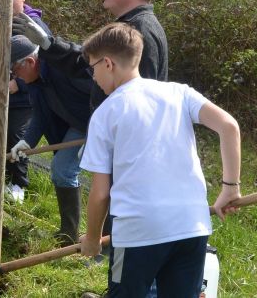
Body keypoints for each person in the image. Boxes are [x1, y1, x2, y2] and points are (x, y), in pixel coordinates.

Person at [79, 22, 241, 297]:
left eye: (92, 67)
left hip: (138, 232)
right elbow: (229, 126)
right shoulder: (180, 93)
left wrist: (93, 239)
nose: (92, 76)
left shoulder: (106, 113)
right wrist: (230, 188)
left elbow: (100, 192)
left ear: (108, 63)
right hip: (192, 226)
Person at [8, 34, 92, 246]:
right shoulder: (35, 80)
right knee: (62, 170)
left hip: (97, 121)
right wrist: (27, 142)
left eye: (15, 70)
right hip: (78, 124)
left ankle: (93, 240)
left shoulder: (63, 68)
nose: (15, 77)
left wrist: (97, 132)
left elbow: (100, 93)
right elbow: (40, 115)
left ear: (30, 62)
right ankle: (69, 234)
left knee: (64, 170)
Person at [0, 0, 50, 203]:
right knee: (2, 137)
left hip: (24, 99)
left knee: (17, 137)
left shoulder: (32, 25)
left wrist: (19, 85)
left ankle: (19, 184)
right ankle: (4, 178)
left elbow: (47, 64)